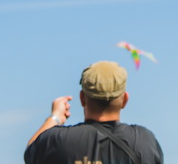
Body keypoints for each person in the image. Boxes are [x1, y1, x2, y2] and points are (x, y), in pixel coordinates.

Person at [25, 60, 164, 164]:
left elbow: (31, 152)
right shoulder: (144, 141)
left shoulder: (57, 140)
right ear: (124, 100)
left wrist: (55, 118)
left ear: (82, 98)